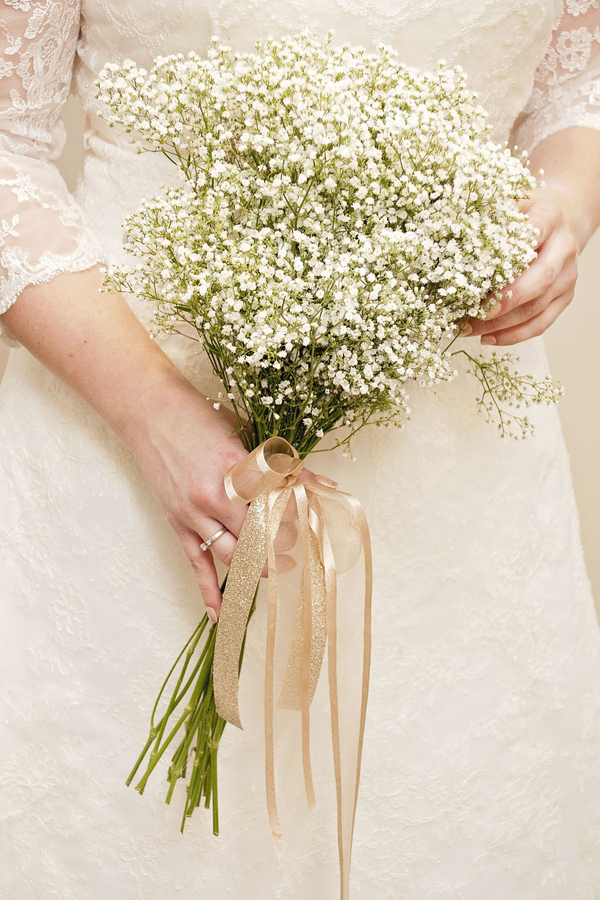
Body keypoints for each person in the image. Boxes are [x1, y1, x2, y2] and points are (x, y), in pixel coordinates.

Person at [1, 2, 600, 897]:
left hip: (468, 492)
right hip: (128, 465)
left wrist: (565, 200)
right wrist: (156, 416)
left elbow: (574, 87)